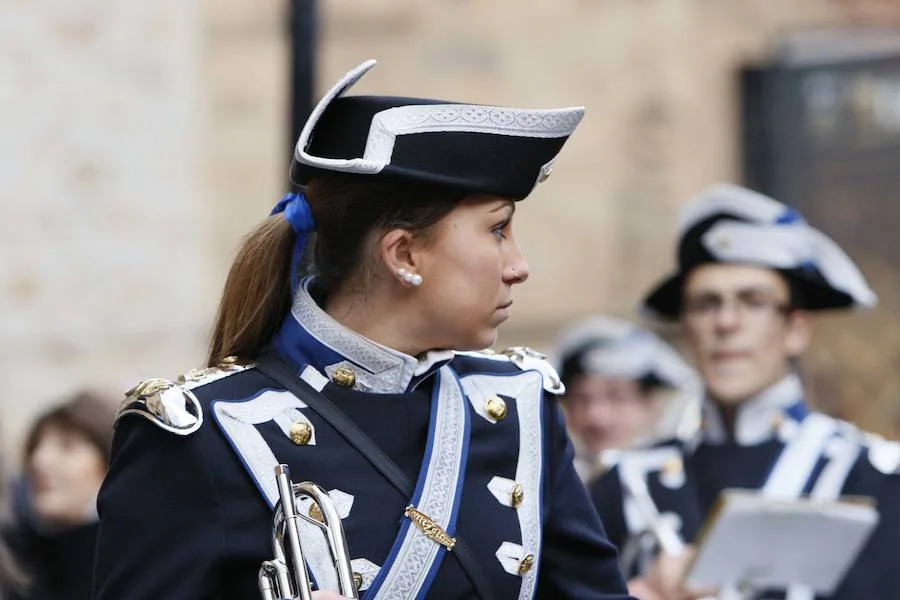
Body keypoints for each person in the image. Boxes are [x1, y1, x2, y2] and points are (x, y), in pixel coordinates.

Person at [92, 59, 634, 600]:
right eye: (497, 229)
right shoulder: (200, 434)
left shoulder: (521, 407)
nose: (518, 265)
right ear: (403, 254)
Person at [589, 184, 900, 599]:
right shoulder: (626, 484)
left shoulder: (871, 478)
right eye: (706, 304)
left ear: (796, 328)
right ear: (687, 328)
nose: (726, 323)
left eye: (752, 301)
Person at [550, 316, 699, 482]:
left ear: (651, 405)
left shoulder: (688, 481)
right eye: (582, 399)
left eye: (616, 397)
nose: (597, 416)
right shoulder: (550, 485)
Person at [3, 392, 115, 600]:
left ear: (108, 465)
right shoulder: (16, 560)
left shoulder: (130, 564)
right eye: (36, 447)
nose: (39, 460)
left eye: (67, 446)